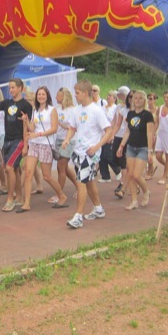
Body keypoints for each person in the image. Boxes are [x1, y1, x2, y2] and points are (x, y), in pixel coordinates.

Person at [62, 80, 113, 229]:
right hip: (78, 152)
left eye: (77, 93)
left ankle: (78, 217)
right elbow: (72, 128)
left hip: (90, 154)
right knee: (88, 181)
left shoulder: (96, 110)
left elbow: (108, 131)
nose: (75, 95)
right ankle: (98, 209)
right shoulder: (76, 110)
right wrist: (67, 139)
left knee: (81, 183)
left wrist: (97, 146)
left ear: (85, 93)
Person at [0, 78, 33, 212]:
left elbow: (27, 126)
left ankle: (10, 199)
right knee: (14, 169)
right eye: (10, 87)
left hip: (19, 140)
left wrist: (25, 145)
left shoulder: (26, 105)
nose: (11, 90)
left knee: (9, 168)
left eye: (13, 87)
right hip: (7, 140)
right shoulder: (6, 103)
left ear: (20, 88)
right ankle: (19, 197)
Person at [17, 86, 68, 212]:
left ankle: (61, 195)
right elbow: (32, 128)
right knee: (28, 173)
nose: (40, 96)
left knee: (47, 176)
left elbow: (54, 129)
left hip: (46, 145)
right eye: (39, 94)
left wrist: (38, 134)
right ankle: (27, 203)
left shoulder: (52, 110)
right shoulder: (35, 110)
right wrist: (26, 121)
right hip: (34, 144)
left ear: (47, 96)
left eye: (43, 94)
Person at [116, 90, 155, 210]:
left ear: (144, 101)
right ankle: (134, 201)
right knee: (131, 173)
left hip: (143, 147)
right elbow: (128, 131)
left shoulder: (147, 115)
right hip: (131, 147)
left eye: (140, 98)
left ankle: (146, 191)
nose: (137, 100)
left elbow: (149, 134)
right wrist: (121, 146)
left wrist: (150, 151)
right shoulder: (130, 114)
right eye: (136, 98)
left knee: (137, 175)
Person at [53, 87, 78, 198]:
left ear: (64, 97)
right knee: (65, 168)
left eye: (58, 95)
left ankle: (59, 194)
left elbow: (73, 127)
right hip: (58, 139)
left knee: (60, 167)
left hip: (68, 140)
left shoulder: (73, 110)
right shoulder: (57, 109)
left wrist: (61, 124)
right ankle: (79, 186)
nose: (56, 97)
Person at [109, 87, 131, 198]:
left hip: (127, 137)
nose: (119, 96)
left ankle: (123, 184)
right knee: (115, 158)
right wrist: (111, 134)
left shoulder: (131, 109)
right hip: (118, 136)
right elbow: (116, 122)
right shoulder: (119, 107)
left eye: (121, 94)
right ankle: (129, 182)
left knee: (124, 162)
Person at [98, 90, 120, 183]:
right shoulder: (103, 107)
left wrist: (112, 134)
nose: (108, 97)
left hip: (110, 133)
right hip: (102, 134)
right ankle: (105, 176)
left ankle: (117, 170)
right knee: (101, 155)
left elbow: (115, 122)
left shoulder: (115, 108)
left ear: (114, 99)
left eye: (110, 96)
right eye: (108, 95)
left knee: (107, 154)